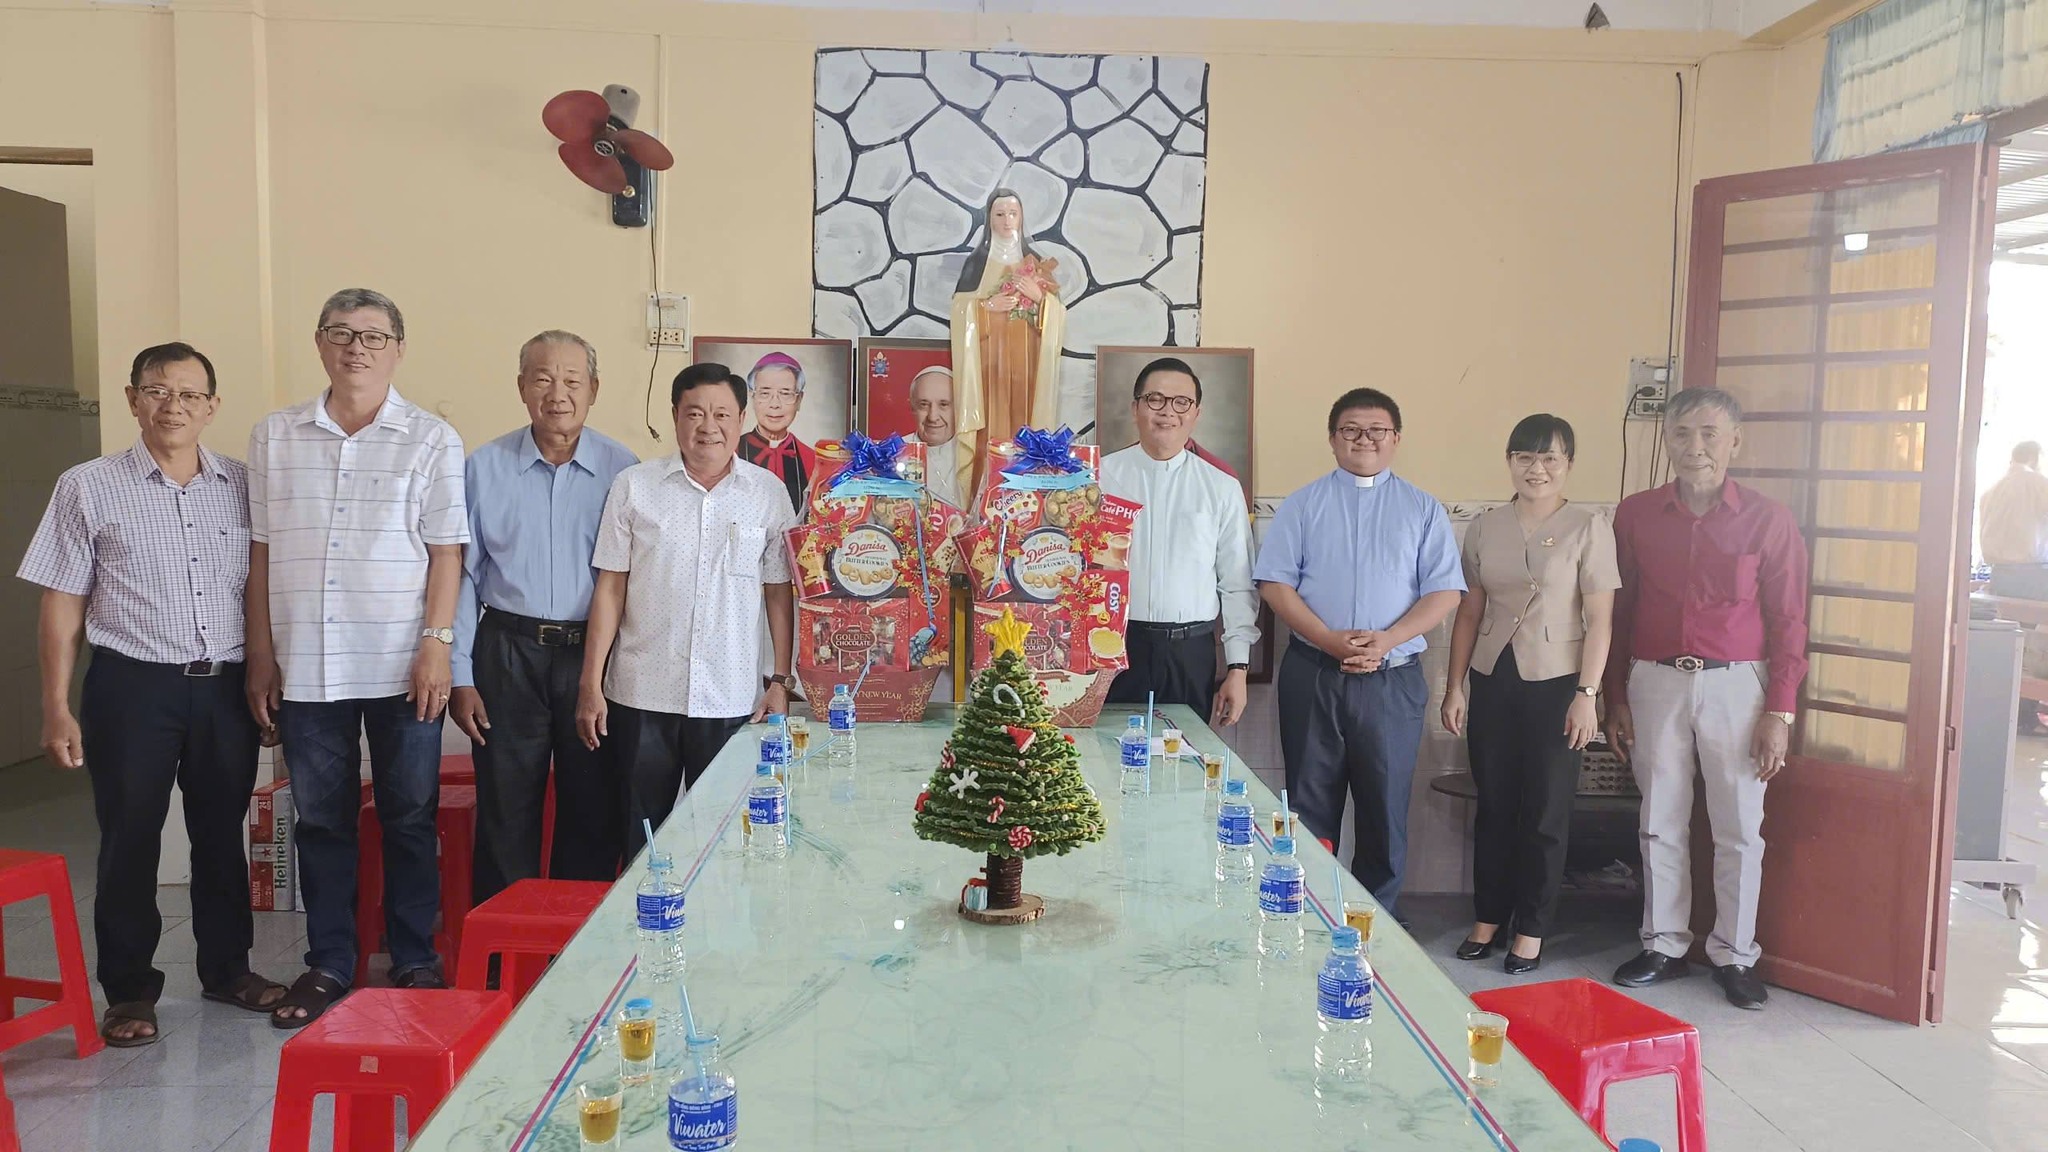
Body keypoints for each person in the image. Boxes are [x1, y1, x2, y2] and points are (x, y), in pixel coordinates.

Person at [17, 343, 286, 1046]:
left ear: (212, 407)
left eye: (190, 394)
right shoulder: (87, 486)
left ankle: (228, 970)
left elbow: (261, 587)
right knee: (130, 838)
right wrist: (55, 704)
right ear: (133, 399)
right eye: (158, 391)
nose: (174, 406)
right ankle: (130, 991)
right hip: (132, 687)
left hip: (224, 686)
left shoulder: (243, 485)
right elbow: (62, 600)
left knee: (221, 836)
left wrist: (265, 669)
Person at [246, 288, 469, 1026]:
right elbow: (261, 553)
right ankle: (330, 962)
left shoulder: (431, 438)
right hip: (308, 664)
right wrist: (261, 654)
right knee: (321, 822)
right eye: (340, 333)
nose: (356, 349)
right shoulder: (275, 435)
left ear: (398, 349)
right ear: (320, 344)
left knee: (409, 817)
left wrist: (436, 646)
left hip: (404, 664)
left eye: (373, 336)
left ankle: (414, 957)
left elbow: (447, 554)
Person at [1602, 387, 1808, 1011]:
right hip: (1654, 680)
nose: (1696, 447)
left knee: (1740, 825)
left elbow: (1789, 620)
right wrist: (1615, 696)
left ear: (1734, 442)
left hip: (1738, 685)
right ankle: (1663, 945)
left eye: (1710, 434)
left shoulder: (1768, 520)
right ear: (1667, 440)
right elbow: (1618, 609)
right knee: (1659, 818)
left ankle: (1735, 954)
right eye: (1683, 433)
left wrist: (1779, 710)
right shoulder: (1635, 514)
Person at [1254, 388, 1465, 915]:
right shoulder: (1302, 505)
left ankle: (1377, 925)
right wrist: (1329, 639)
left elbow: (1444, 591)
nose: (1364, 439)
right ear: (1332, 439)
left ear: (1396, 439)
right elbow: (1275, 584)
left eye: (1377, 430)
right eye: (1350, 429)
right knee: (1308, 807)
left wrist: (1386, 641)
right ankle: (1307, 916)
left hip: (1392, 680)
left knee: (1384, 810)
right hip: (1314, 672)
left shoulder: (1422, 509)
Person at [579, 364, 799, 859]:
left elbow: (778, 592)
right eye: (695, 413)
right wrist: (590, 684)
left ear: (741, 419)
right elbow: (610, 588)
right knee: (641, 839)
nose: (708, 426)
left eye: (722, 414)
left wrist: (780, 682)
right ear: (676, 415)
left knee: (727, 840)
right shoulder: (634, 486)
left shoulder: (767, 493)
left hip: (731, 696)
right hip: (642, 693)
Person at [450, 331, 639, 904]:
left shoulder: (624, 471)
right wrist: (460, 674)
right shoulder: (483, 467)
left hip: (592, 659)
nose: (558, 393)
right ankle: (504, 946)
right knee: (506, 808)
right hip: (507, 651)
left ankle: (575, 942)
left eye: (572, 380)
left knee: (592, 808)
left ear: (594, 389)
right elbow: (462, 576)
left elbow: (632, 582)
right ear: (521, 388)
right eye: (543, 379)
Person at [1440, 414, 1618, 975]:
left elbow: (1601, 620)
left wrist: (1587, 693)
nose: (1536, 469)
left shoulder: (1590, 527)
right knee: (1494, 805)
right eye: (1525, 457)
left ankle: (1532, 928)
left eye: (1550, 459)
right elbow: (1469, 611)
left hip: (1560, 682)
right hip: (1494, 676)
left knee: (1545, 810)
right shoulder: (1484, 526)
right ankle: (1488, 917)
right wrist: (1454, 686)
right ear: (1510, 461)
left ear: (1568, 465)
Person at [1099, 356, 1258, 728]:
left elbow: (1237, 583)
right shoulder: (1100, 477)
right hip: (1113, 645)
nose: (1167, 411)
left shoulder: (1221, 487)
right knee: (1108, 750)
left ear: (1196, 413)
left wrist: (1238, 668)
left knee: (1183, 753)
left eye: (1181, 402)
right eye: (1155, 399)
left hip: (1190, 651)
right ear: (1136, 407)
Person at [948, 187, 1066, 500]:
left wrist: (1041, 299)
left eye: (1013, 213)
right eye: (999, 214)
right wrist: (985, 308)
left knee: (1026, 429)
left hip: (1027, 367)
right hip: (988, 369)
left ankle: (1027, 498)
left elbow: (1058, 316)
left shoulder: (1035, 262)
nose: (1007, 220)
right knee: (990, 430)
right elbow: (959, 312)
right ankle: (984, 498)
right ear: (989, 219)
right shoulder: (977, 263)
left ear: (1022, 217)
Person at [737, 351, 817, 516]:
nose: (775, 404)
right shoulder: (730, 453)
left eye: (785, 394)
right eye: (765, 393)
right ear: (752, 398)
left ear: (799, 400)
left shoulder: (813, 461)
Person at [1981, 440, 2048, 599]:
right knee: (2034, 615)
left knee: (2007, 614)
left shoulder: (1990, 492)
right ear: (2035, 458)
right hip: (2034, 575)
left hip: (1999, 574)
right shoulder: (2040, 484)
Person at [907, 364, 965, 508]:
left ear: (958, 408)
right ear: (912, 407)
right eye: (924, 405)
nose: (933, 417)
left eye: (944, 404)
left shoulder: (972, 455)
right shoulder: (892, 454)